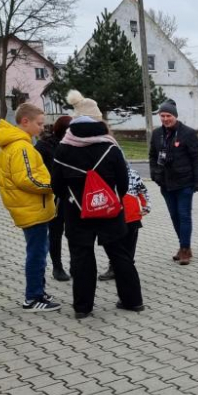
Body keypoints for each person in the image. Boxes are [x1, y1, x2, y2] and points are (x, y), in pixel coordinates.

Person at [52, 91, 144, 319]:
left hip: (77, 212)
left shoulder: (63, 148)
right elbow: (124, 183)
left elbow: (57, 186)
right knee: (120, 255)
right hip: (110, 211)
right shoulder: (111, 147)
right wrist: (109, 198)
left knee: (81, 258)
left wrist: (74, 199)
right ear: (98, 119)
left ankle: (83, 307)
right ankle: (133, 301)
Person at [0, 103, 61, 312]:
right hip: (32, 209)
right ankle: (33, 297)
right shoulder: (21, 147)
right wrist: (53, 187)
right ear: (25, 122)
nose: (42, 128)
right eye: (39, 124)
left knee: (38, 250)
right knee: (37, 253)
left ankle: (38, 290)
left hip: (30, 207)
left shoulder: (17, 144)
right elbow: (27, 179)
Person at [149, 99, 198, 266]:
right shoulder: (157, 134)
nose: (166, 119)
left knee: (184, 215)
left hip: (185, 182)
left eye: (169, 116)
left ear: (175, 116)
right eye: (162, 116)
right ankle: (184, 246)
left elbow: (197, 158)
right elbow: (152, 155)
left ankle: (185, 249)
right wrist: (154, 173)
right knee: (174, 216)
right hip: (165, 183)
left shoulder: (187, 133)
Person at [35, 115, 72, 281]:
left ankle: (76, 263)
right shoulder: (44, 146)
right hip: (54, 196)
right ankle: (57, 267)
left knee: (73, 231)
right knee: (56, 232)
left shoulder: (73, 144)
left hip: (72, 196)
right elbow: (38, 170)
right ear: (63, 131)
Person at [98, 165, 151, 282]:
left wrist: (146, 206)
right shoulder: (104, 172)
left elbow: (142, 190)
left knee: (129, 245)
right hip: (113, 215)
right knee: (115, 245)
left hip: (132, 217)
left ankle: (128, 270)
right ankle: (113, 268)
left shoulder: (132, 173)